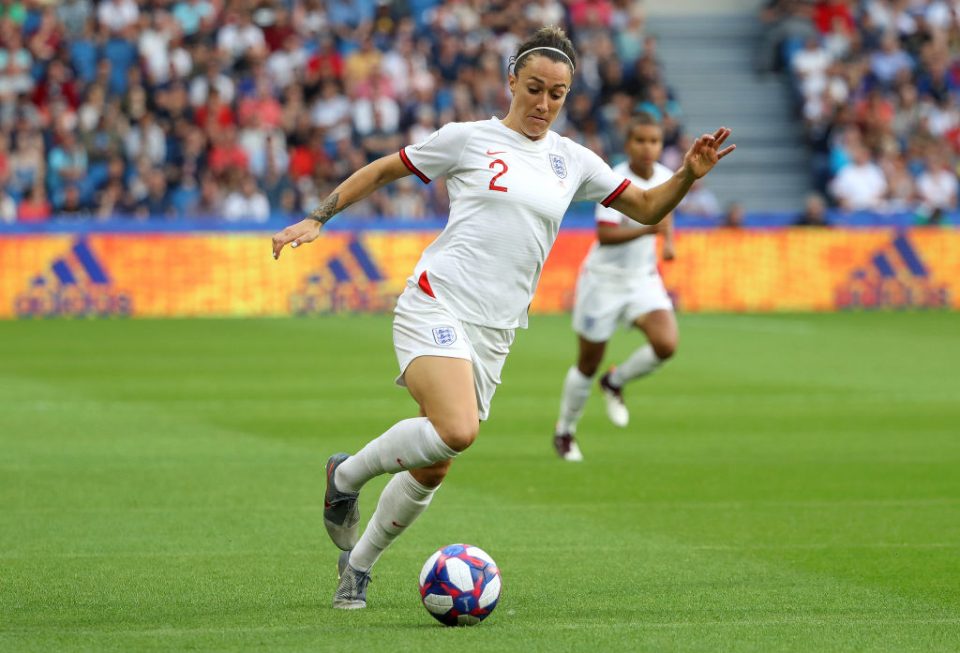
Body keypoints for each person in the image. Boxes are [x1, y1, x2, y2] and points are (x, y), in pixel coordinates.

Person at [270, 26, 734, 610]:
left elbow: (645, 205)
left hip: (497, 328)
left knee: (435, 464)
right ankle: (345, 477)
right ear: (511, 80)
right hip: (436, 300)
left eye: (557, 94)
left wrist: (687, 174)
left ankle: (357, 565)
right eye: (534, 88)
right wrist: (319, 216)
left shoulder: (573, 160)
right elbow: (388, 168)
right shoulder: (467, 140)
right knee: (459, 429)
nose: (543, 104)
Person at [553, 112, 678, 462]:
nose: (647, 147)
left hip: (642, 279)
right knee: (588, 363)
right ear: (628, 145)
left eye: (654, 141)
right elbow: (606, 235)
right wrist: (649, 230)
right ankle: (565, 430)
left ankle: (616, 381)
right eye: (640, 140)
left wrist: (669, 242)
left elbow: (666, 211)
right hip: (604, 282)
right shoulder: (615, 180)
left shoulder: (666, 177)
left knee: (666, 344)